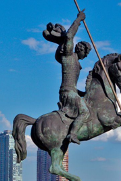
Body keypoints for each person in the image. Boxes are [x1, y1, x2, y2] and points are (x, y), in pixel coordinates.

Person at [43, 10, 92, 144]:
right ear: (81, 49)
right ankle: (73, 134)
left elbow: (74, 87)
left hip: (71, 92)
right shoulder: (69, 55)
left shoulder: (76, 63)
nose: (85, 56)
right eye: (86, 53)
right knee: (85, 112)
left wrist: (84, 93)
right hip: (67, 93)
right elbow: (69, 36)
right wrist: (79, 19)